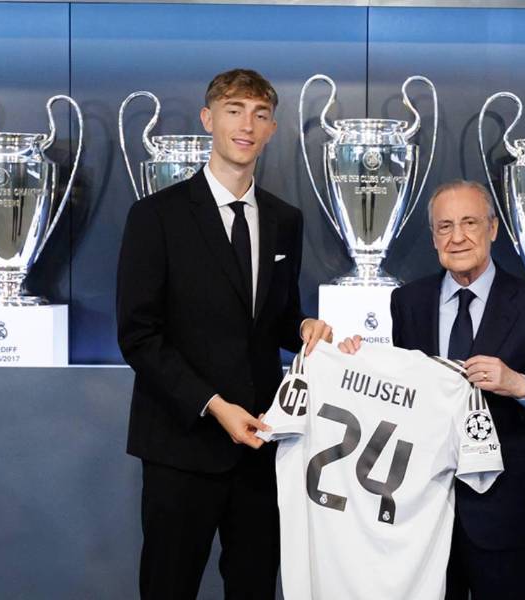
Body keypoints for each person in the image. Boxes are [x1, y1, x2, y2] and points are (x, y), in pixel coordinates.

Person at [117, 68, 332, 600]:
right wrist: (214, 405)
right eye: (234, 110)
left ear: (273, 129)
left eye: (260, 114)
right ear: (208, 119)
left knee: (255, 588)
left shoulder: (286, 220)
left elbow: (275, 316)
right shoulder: (155, 217)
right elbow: (138, 335)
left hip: (262, 445)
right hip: (180, 445)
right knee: (169, 588)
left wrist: (303, 326)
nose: (247, 124)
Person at [340, 179, 525, 600]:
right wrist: (357, 362)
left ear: (492, 228)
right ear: (433, 237)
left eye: (469, 223)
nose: (457, 237)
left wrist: (517, 384)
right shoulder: (407, 302)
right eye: (444, 226)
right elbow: (402, 392)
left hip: (501, 513)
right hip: (420, 511)